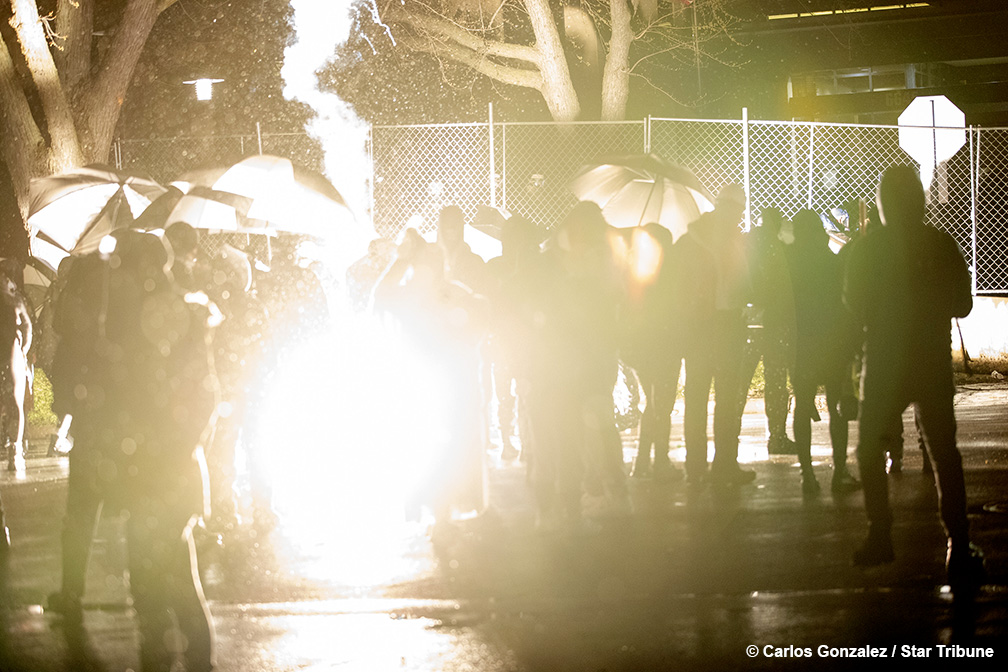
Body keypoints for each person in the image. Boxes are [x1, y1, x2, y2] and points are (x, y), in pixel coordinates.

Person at [843, 166, 984, 592]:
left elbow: (854, 304)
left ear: (883, 203)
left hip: (884, 360)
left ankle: (880, 532)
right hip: (930, 359)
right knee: (944, 453)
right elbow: (963, 305)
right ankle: (958, 545)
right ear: (920, 201)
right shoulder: (940, 244)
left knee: (869, 448)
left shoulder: (867, 249)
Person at [673, 184, 755, 486]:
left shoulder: (693, 239)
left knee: (698, 397)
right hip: (724, 325)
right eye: (738, 210)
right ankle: (723, 466)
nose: (739, 216)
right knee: (725, 398)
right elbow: (743, 284)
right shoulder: (731, 242)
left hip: (699, 326)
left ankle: (697, 466)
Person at [786, 210, 860, 495]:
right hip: (831, 343)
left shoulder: (790, 264)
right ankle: (839, 470)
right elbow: (844, 304)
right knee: (836, 406)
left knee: (802, 405)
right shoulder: (831, 262)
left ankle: (807, 473)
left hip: (801, 344)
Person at [621, 223, 683, 481]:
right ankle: (658, 461)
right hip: (664, 345)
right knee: (662, 405)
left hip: (640, 348)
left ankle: (644, 460)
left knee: (653, 403)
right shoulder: (667, 274)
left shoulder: (632, 271)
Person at [740, 208, 795, 455]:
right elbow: (784, 287)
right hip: (774, 322)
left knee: (740, 381)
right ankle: (777, 436)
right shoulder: (779, 249)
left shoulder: (744, 246)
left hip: (748, 321)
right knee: (776, 381)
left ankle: (729, 437)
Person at [0, 259, 31, 474]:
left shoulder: (16, 301)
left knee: (14, 402)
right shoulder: (15, 301)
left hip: (12, 352)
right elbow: (28, 327)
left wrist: (24, 350)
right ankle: (15, 450)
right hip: (12, 352)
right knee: (14, 402)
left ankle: (15, 449)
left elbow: (28, 327)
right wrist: (24, 349)